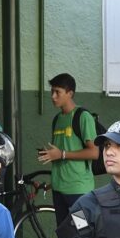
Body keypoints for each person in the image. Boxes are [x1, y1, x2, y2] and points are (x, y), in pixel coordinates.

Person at [37, 73, 99, 227]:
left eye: (58, 92)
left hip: (78, 191)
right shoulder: (57, 120)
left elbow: (94, 152)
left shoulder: (82, 116)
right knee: (65, 235)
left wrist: (62, 154)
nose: (53, 96)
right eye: (52, 91)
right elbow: (59, 154)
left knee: (82, 231)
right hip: (58, 190)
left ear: (70, 93)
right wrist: (50, 154)